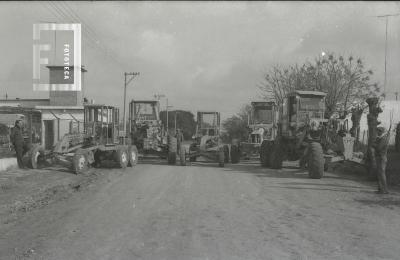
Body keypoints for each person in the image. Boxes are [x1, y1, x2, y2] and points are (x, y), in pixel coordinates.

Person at [375, 126, 389, 194]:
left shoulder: (383, 139)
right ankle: (380, 189)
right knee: (379, 173)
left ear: (382, 132)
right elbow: (375, 146)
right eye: (377, 131)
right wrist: (375, 144)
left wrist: (374, 144)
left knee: (381, 173)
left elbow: (378, 148)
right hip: (379, 157)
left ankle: (384, 190)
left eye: (378, 131)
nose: (377, 132)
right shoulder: (379, 138)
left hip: (381, 158)